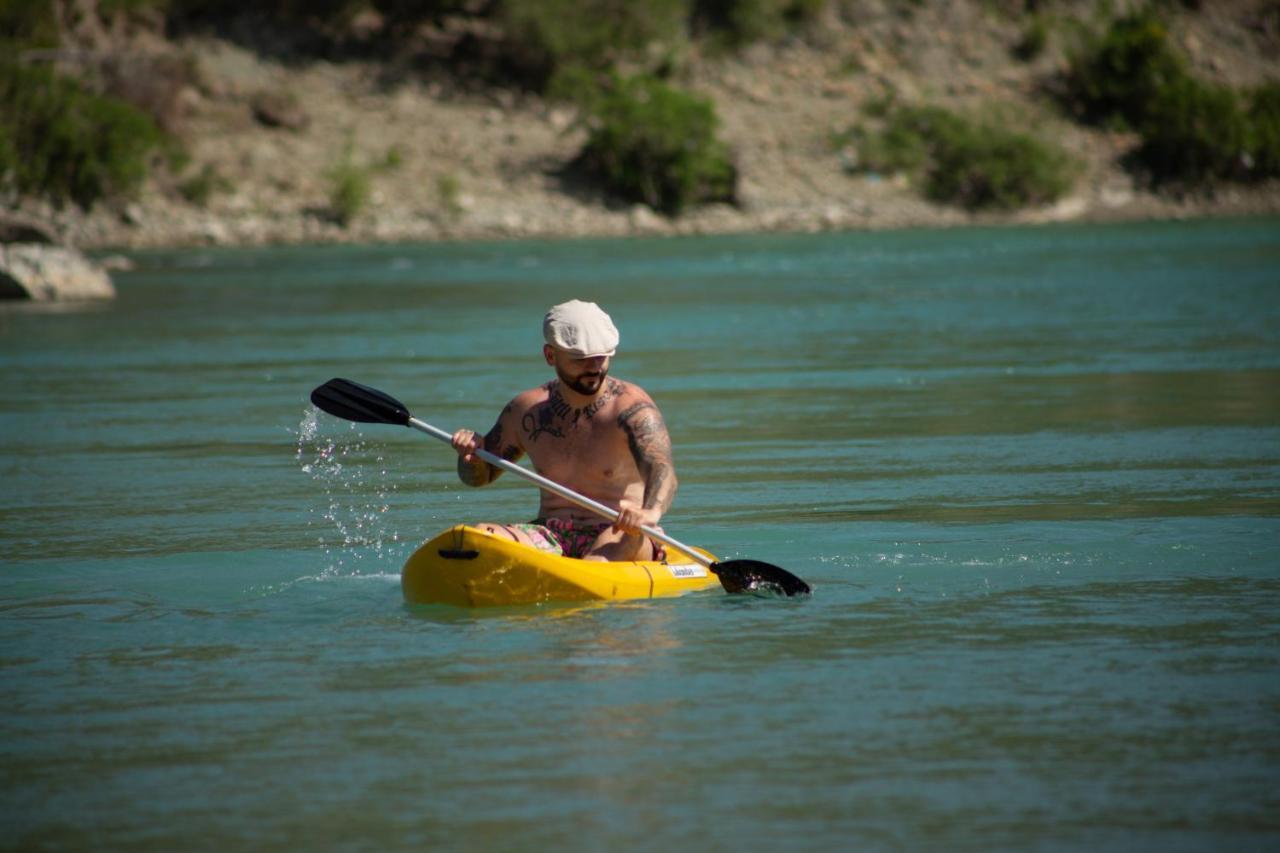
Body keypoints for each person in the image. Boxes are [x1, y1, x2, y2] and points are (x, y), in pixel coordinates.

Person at [450, 300, 676, 562]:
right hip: (550, 534)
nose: (593, 367)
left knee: (597, 562)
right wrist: (471, 457)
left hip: (620, 532)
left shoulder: (631, 409)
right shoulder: (526, 411)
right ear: (550, 356)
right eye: (580, 359)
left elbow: (663, 469)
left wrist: (650, 512)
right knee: (481, 537)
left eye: (601, 357)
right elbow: (479, 477)